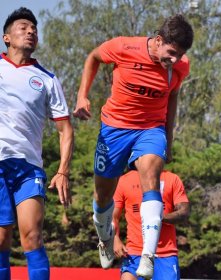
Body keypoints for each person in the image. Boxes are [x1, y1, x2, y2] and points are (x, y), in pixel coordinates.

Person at [73, 14, 193, 278]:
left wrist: (168, 140)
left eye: (180, 55)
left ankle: (148, 257)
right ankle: (104, 239)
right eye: (171, 52)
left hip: (151, 129)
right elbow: (93, 57)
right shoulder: (124, 47)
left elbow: (172, 97)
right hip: (115, 128)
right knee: (102, 196)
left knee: (151, 175)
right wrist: (82, 96)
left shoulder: (181, 66)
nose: (174, 59)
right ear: (158, 41)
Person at [0, 7, 73, 280]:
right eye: (23, 26)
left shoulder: (48, 79)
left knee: (32, 234)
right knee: (1, 239)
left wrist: (63, 170)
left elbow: (65, 130)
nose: (30, 31)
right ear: (6, 37)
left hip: (29, 167)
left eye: (34, 28)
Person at [113, 170, 190, 280]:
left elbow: (184, 212)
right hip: (135, 252)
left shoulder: (172, 178)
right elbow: (113, 215)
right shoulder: (124, 180)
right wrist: (115, 239)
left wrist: (157, 217)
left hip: (165, 255)